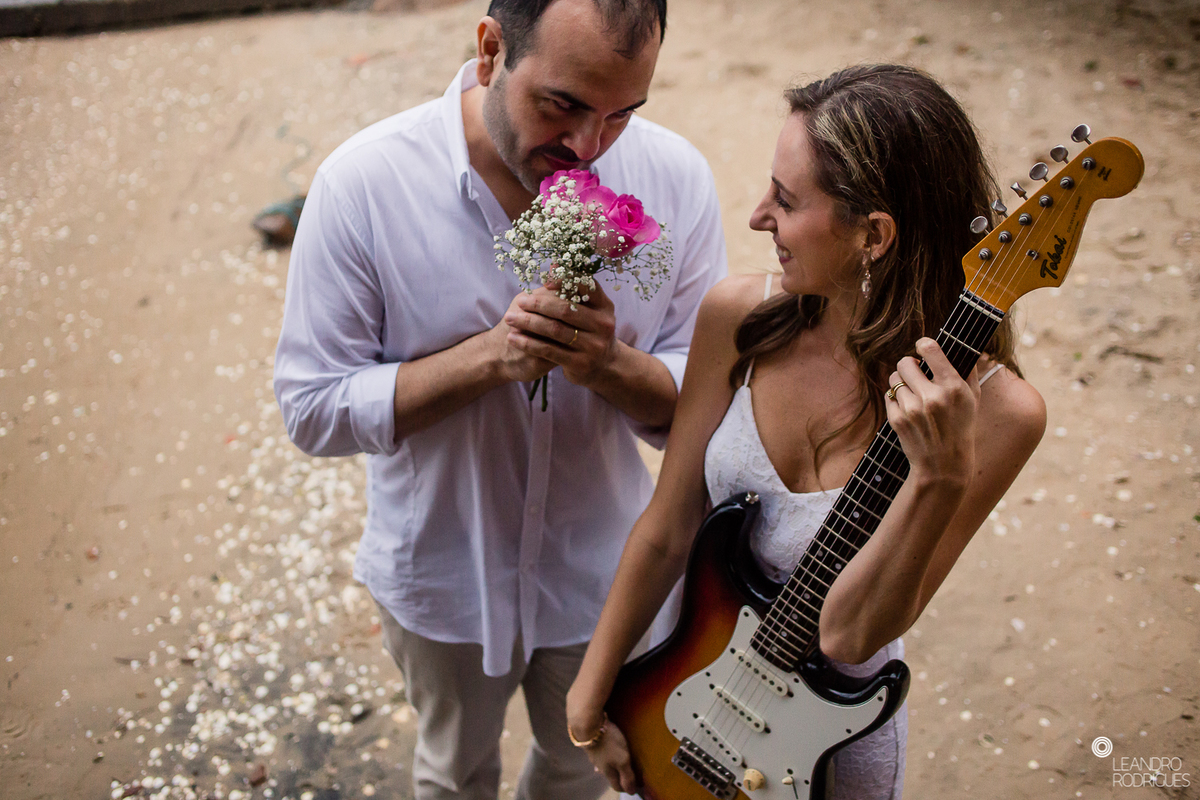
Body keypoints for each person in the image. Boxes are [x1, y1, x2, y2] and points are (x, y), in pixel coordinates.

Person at [272, 0, 727, 798]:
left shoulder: (676, 180)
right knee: (453, 774)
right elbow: (311, 408)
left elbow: (704, 402)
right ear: (490, 50)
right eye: (564, 105)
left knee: (579, 774)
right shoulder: (363, 185)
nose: (589, 148)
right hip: (441, 577)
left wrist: (611, 365)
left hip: (608, 580)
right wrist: (489, 358)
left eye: (622, 114)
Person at [565, 64, 1048, 799]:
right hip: (685, 696)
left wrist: (940, 478)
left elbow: (853, 637)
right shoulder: (739, 318)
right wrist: (591, 699)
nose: (758, 217)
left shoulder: (999, 415)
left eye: (786, 202)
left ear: (873, 236)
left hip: (823, 751)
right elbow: (669, 526)